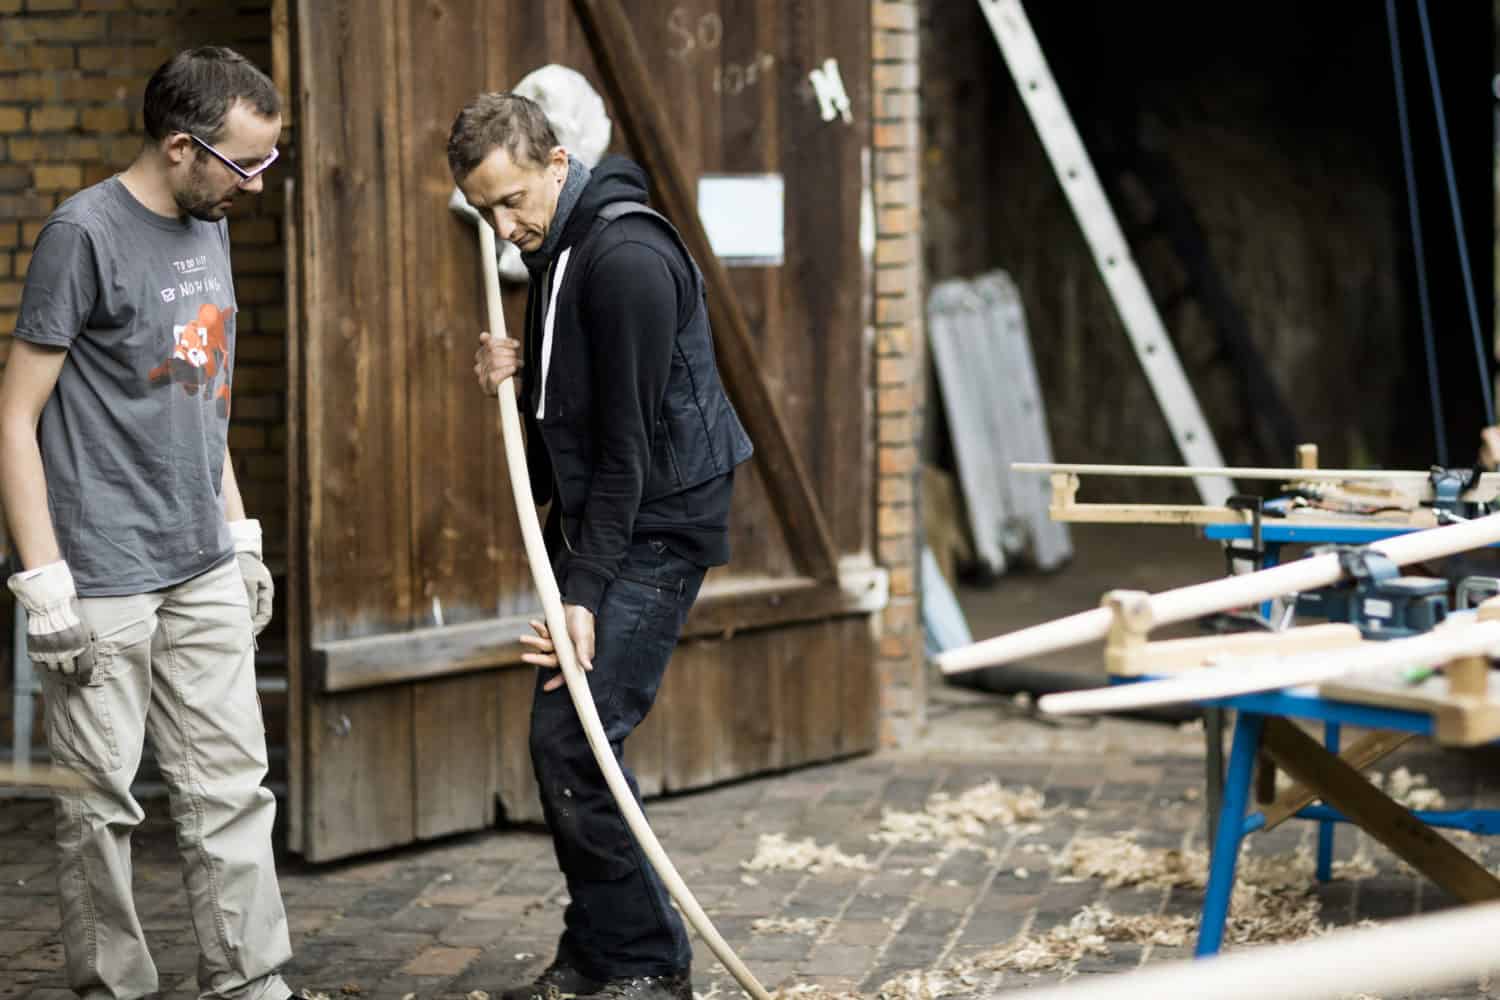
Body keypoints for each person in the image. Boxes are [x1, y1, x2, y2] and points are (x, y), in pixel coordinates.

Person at [0, 47, 297, 1000]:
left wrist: (240, 532)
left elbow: (200, 392)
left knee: (232, 794)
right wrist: (44, 583)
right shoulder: (81, 236)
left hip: (200, 562)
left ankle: (251, 982)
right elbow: (13, 417)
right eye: (246, 163)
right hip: (103, 575)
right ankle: (115, 990)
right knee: (101, 809)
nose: (258, 183)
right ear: (182, 147)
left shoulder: (207, 223)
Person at [449, 92, 754, 1000]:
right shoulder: (563, 236)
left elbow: (626, 446)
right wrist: (523, 364)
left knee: (576, 740)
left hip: (656, 521)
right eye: (483, 212)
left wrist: (581, 592)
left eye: (511, 202)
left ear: (553, 162)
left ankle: (648, 966)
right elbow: (577, 372)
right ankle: (600, 951)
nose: (504, 229)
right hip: (614, 515)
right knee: (570, 738)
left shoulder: (622, 256)